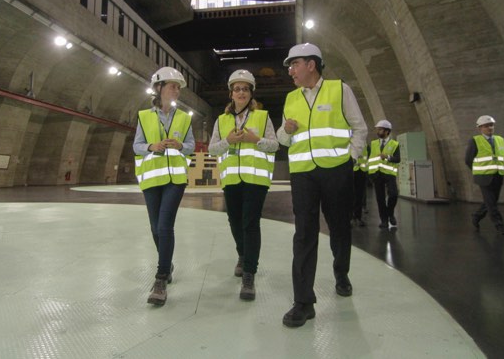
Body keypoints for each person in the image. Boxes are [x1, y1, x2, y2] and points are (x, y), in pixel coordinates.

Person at [276, 43, 368, 328]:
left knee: (339, 227)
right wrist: (285, 131)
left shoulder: (340, 90)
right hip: (303, 173)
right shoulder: (291, 99)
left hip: (336, 172)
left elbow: (359, 128)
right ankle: (303, 302)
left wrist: (349, 160)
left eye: (294, 64)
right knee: (304, 232)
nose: (290, 70)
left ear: (311, 65)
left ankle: (341, 273)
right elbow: (282, 138)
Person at [208, 69, 279, 301]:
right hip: (231, 180)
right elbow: (212, 149)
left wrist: (255, 140)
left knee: (250, 223)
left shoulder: (262, 116)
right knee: (234, 221)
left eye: (245, 89)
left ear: (251, 93)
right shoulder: (221, 120)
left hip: (255, 180)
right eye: (237, 89)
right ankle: (242, 254)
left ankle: (249, 273)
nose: (241, 92)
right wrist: (228, 141)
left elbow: (274, 145)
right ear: (231, 93)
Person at [133, 67, 196, 305]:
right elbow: (136, 145)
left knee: (165, 225)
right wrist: (152, 147)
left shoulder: (183, 118)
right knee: (155, 227)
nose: (177, 91)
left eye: (178, 87)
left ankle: (161, 278)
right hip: (152, 178)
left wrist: (179, 146)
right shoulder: (144, 116)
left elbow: (190, 145)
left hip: (175, 180)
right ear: (159, 88)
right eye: (173, 86)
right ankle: (166, 261)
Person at [465, 115, 504, 236]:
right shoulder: (475, 141)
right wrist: (478, 171)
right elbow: (468, 160)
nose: (489, 128)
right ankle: (500, 225)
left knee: (491, 202)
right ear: (479, 128)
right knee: (492, 203)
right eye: (486, 126)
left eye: (491, 125)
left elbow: (503, 155)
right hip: (483, 177)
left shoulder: (500, 139)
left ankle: (476, 216)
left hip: (498, 175)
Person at [367, 120, 401, 229]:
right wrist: (370, 174)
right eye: (377, 129)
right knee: (380, 199)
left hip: (389, 174)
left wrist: (387, 157)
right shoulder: (373, 144)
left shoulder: (394, 144)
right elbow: (370, 159)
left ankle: (390, 213)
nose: (377, 131)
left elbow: (397, 159)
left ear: (387, 131)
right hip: (376, 174)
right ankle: (384, 220)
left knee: (393, 194)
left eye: (380, 129)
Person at [351, 144, 369, 227]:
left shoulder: (364, 145)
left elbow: (367, 159)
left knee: (359, 195)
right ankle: (350, 218)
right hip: (351, 171)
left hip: (361, 172)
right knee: (350, 196)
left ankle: (358, 217)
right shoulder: (349, 143)